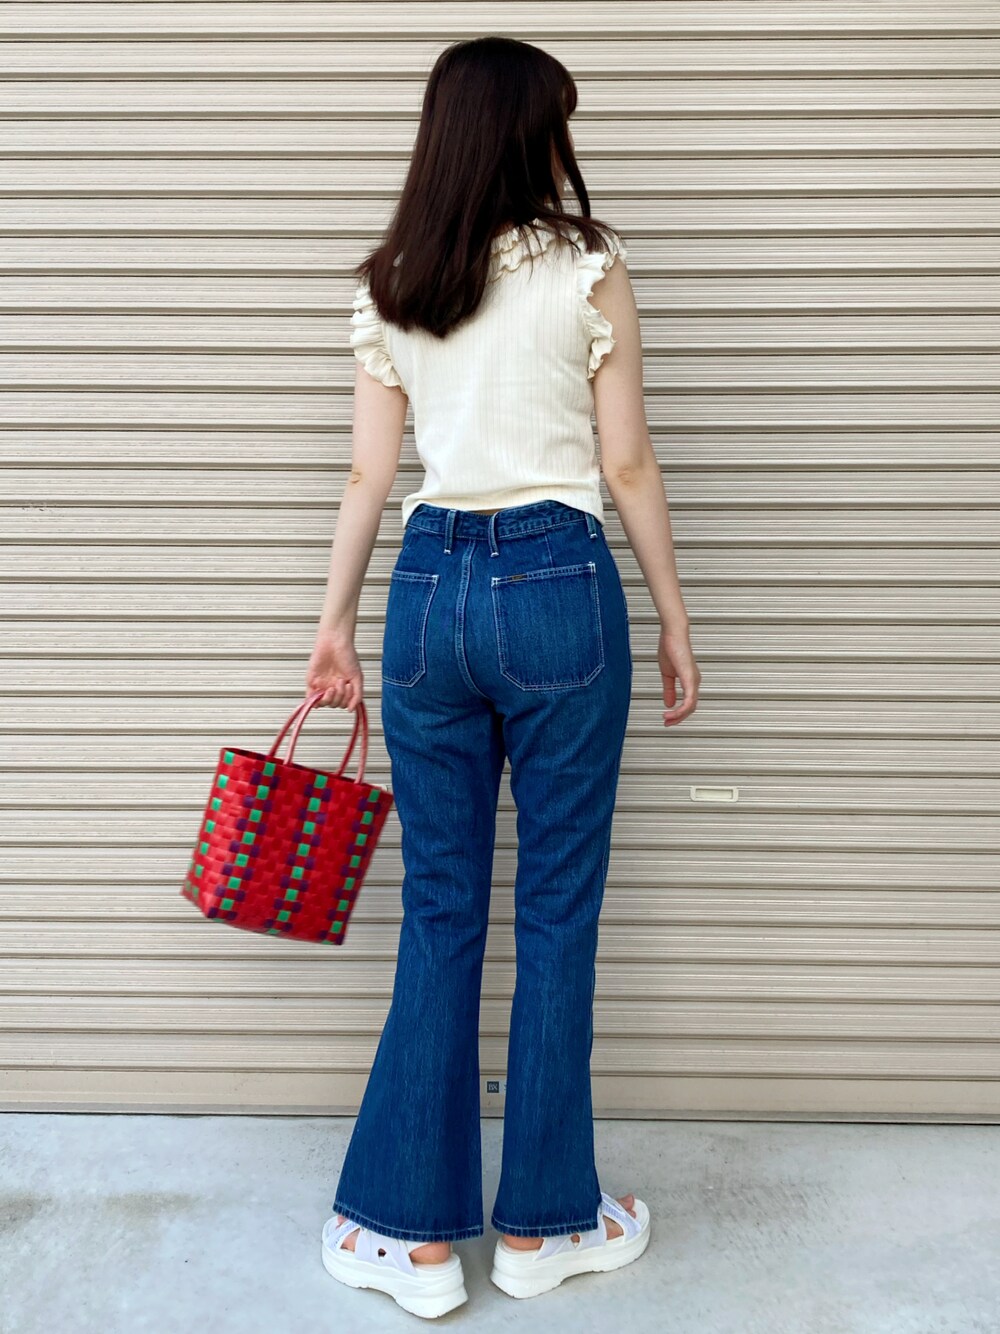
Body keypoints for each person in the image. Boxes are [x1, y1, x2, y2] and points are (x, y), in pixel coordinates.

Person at [305, 34, 701, 1320]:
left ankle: (415, 1243)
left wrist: (332, 625)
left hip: (427, 590)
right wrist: (674, 617)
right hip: (557, 585)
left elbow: (370, 474)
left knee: (440, 908)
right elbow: (626, 463)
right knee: (559, 908)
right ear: (536, 133)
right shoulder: (586, 263)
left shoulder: (394, 280)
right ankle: (544, 1225)